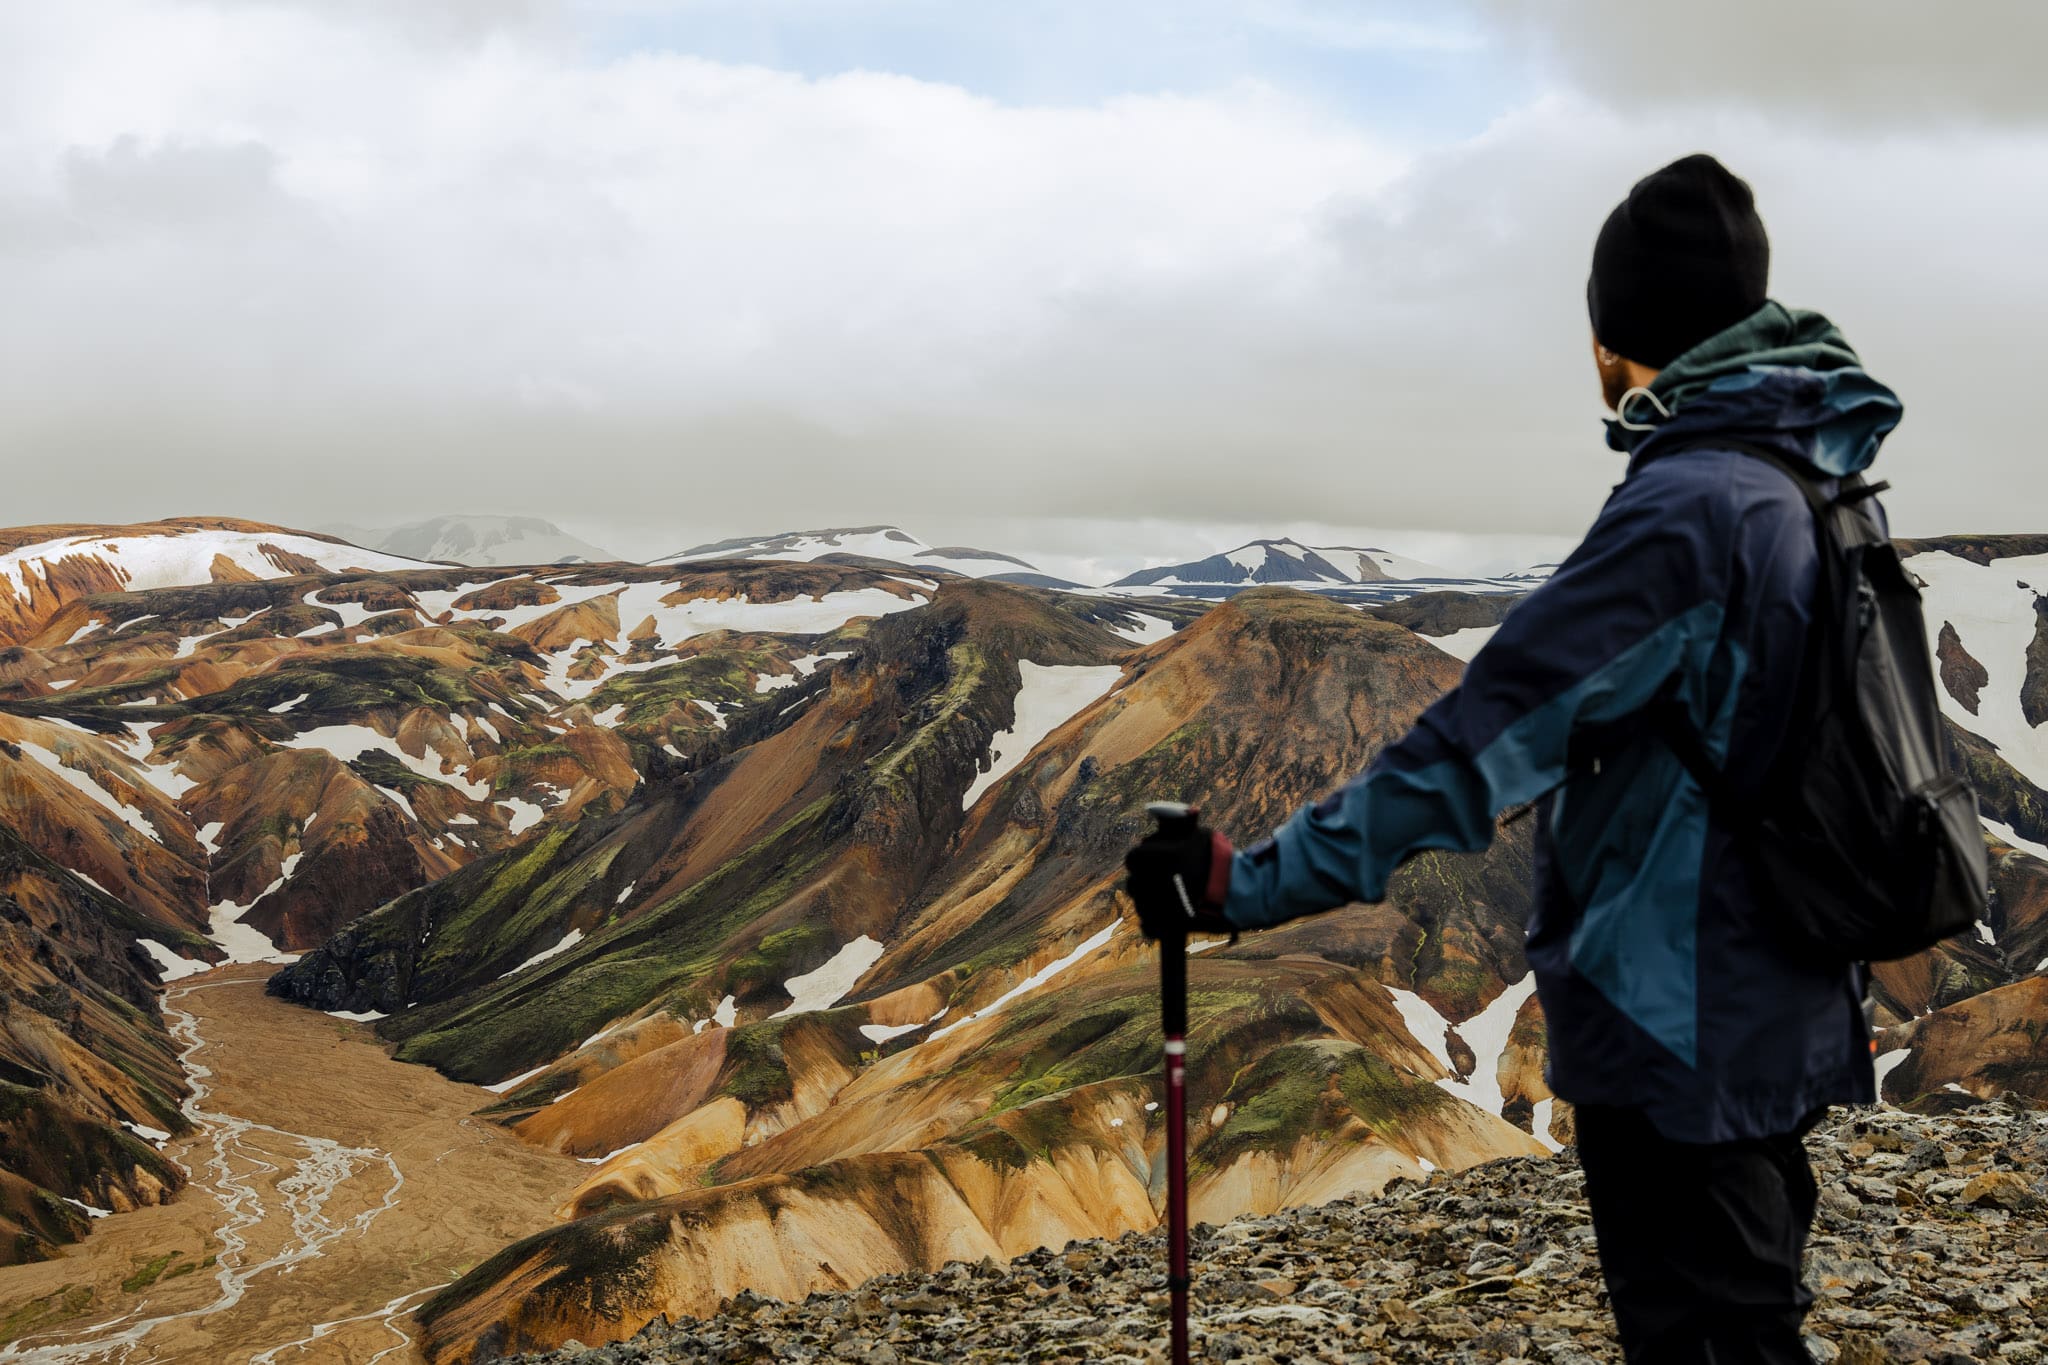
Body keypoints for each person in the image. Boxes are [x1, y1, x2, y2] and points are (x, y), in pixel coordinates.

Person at [1124, 153, 1892, 1365]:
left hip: (1678, 1013)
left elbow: (1470, 751)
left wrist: (1241, 885)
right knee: (1745, 1313)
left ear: (1606, 342)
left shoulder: (1684, 512)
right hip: (1780, 988)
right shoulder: (1810, 481)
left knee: (1703, 1330)